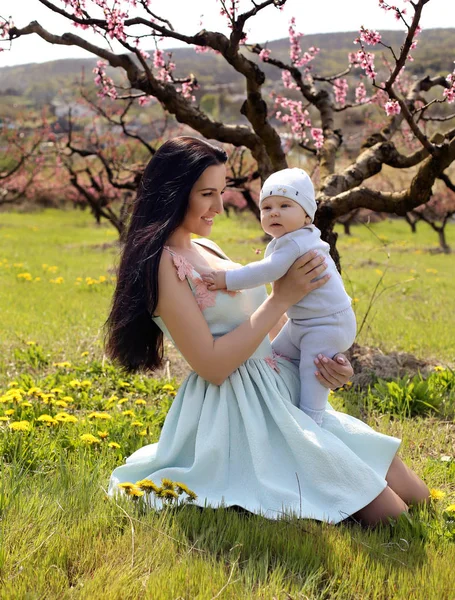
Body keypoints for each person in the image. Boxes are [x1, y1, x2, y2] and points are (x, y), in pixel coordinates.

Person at [105, 136, 430, 527]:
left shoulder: (208, 248)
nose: (220, 207)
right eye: (207, 194)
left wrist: (328, 364)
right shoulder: (163, 266)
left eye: (222, 192)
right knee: (390, 516)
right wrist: (281, 297)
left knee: (418, 496)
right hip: (239, 406)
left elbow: (274, 328)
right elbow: (211, 365)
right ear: (173, 192)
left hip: (278, 383)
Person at [201, 167, 356, 426]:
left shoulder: (296, 242)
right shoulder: (291, 239)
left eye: (285, 205)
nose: (274, 212)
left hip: (326, 324)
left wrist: (226, 280)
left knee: (313, 370)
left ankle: (312, 420)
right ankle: (285, 405)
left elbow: (268, 270)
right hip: (303, 323)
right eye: (267, 207)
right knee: (276, 357)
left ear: (307, 216)